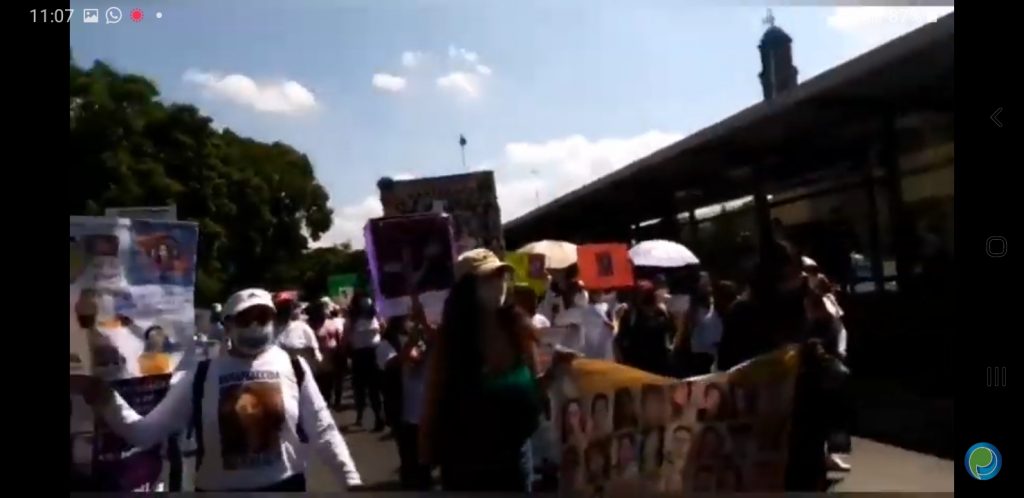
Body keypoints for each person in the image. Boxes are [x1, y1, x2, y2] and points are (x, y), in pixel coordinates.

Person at [70, 288, 363, 492]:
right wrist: (105, 397)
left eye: (263, 318)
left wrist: (351, 480)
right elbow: (143, 433)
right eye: (246, 319)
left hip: (285, 486)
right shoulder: (201, 375)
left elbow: (323, 430)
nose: (255, 326)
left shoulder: (294, 366)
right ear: (228, 325)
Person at [419, 248, 573, 492]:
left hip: (516, 457)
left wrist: (555, 370)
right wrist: (426, 454)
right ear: (467, 288)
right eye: (489, 278)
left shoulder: (518, 328)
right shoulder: (451, 340)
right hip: (466, 463)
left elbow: (534, 388)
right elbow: (433, 396)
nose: (499, 284)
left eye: (502, 276)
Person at [344, 291, 384, 431]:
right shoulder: (352, 320)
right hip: (359, 356)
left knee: (374, 388)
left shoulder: (375, 317)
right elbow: (345, 338)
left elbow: (383, 329)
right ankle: (362, 416)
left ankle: (378, 417)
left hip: (374, 354)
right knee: (360, 389)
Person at [615, 280, 674, 376]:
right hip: (641, 365)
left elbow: (670, 333)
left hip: (655, 364)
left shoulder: (661, 313)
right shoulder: (631, 314)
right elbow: (621, 339)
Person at [674, 272, 723, 376]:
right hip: (697, 354)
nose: (707, 287)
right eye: (703, 283)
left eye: (707, 283)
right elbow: (684, 331)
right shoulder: (692, 308)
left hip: (712, 353)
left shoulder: (715, 303)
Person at [307, 301, 342, 408]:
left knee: (333, 381)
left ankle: (335, 400)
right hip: (319, 360)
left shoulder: (331, 323)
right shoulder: (309, 326)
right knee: (323, 384)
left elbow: (338, 337)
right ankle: (325, 403)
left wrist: (340, 350)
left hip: (333, 356)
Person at [273, 297, 322, 370]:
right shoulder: (271, 330)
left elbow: (315, 351)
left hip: (300, 370)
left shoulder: (302, 327)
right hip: (279, 370)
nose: (285, 312)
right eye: (282, 309)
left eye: (288, 309)